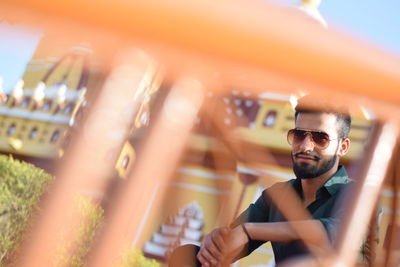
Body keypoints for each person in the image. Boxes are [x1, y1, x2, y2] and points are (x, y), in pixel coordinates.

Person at [169, 96, 352, 266]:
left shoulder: (359, 197)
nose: (305, 146)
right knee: (190, 257)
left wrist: (250, 230)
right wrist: (217, 245)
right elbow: (233, 242)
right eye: (299, 135)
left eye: (321, 138)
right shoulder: (278, 195)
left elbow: (327, 233)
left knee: (302, 249)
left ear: (342, 147)